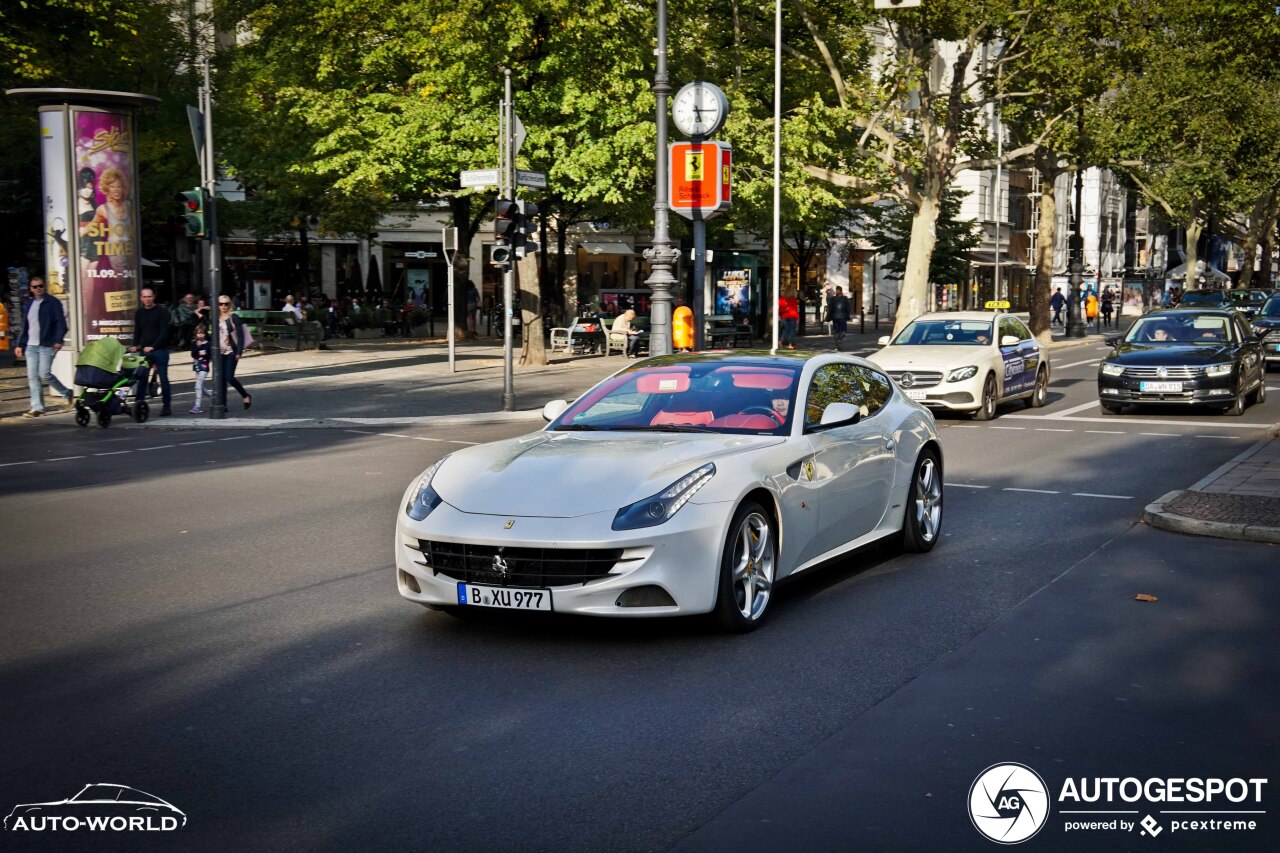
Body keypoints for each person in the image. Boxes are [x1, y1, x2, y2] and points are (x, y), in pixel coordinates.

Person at [14, 276, 72, 418]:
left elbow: (61, 324)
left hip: (47, 344)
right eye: (35, 287)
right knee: (33, 376)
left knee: (44, 374)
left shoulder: (52, 302)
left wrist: (58, 340)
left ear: (44, 287)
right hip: (31, 346)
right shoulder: (29, 304)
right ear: (31, 289)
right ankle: (37, 408)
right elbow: (26, 326)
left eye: (40, 286)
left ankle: (66, 392)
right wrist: (20, 344)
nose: (38, 289)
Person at [131, 287, 172, 416]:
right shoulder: (139, 313)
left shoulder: (162, 311)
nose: (147, 299)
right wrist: (134, 345)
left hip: (160, 351)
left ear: (153, 297)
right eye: (145, 297)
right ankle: (139, 405)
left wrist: (153, 346)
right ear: (141, 298)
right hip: (144, 351)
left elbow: (164, 332)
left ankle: (166, 406)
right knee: (141, 378)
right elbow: (137, 331)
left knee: (163, 378)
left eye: (149, 297)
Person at [215, 296, 252, 410]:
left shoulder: (234, 317)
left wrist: (239, 352)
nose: (224, 306)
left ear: (229, 304)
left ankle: (245, 395)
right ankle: (223, 405)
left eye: (226, 304)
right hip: (219, 352)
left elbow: (240, 336)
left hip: (231, 351)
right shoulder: (215, 318)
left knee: (229, 377)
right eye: (221, 304)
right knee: (221, 379)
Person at [189, 323, 211, 414]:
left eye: (202, 333)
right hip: (197, 366)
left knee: (197, 386)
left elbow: (209, 355)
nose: (200, 335)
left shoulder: (208, 344)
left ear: (205, 334)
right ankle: (214, 397)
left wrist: (204, 353)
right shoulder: (194, 343)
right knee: (201, 387)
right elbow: (193, 354)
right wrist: (197, 347)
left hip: (204, 367)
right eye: (198, 333)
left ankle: (197, 406)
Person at [828, 286, 852, 350]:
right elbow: (848, 308)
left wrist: (829, 316)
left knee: (836, 330)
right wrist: (848, 315)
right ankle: (839, 340)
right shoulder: (845, 299)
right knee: (843, 330)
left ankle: (837, 342)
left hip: (835, 316)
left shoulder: (833, 299)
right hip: (842, 317)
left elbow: (830, 308)